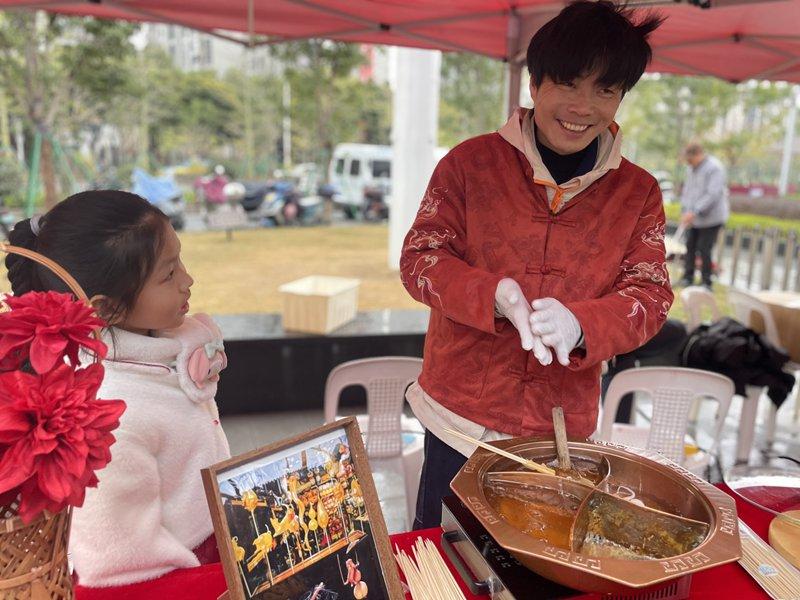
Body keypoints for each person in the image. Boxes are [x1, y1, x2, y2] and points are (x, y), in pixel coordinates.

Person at [399, 0, 672, 529]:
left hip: (560, 431)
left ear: (620, 98)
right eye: (568, 83)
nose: (583, 106)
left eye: (605, 90)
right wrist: (492, 293)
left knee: (540, 564)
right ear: (536, 83)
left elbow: (651, 295)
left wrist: (582, 324)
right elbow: (420, 259)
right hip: (459, 417)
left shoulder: (638, 193)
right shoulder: (470, 163)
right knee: (445, 559)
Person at [5, 191, 230, 586]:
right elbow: (123, 568)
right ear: (106, 309)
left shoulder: (164, 345)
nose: (188, 281)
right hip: (173, 573)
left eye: (180, 261)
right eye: (169, 273)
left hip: (216, 535)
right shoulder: (109, 416)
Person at [678, 143, 729, 289]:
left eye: (690, 159)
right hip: (693, 218)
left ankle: (707, 282)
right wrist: (685, 211)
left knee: (704, 248)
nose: (688, 163)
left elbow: (713, 194)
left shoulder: (714, 168)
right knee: (690, 246)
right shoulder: (690, 168)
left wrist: (695, 211)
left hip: (711, 218)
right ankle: (688, 278)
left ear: (698, 155)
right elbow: (687, 191)